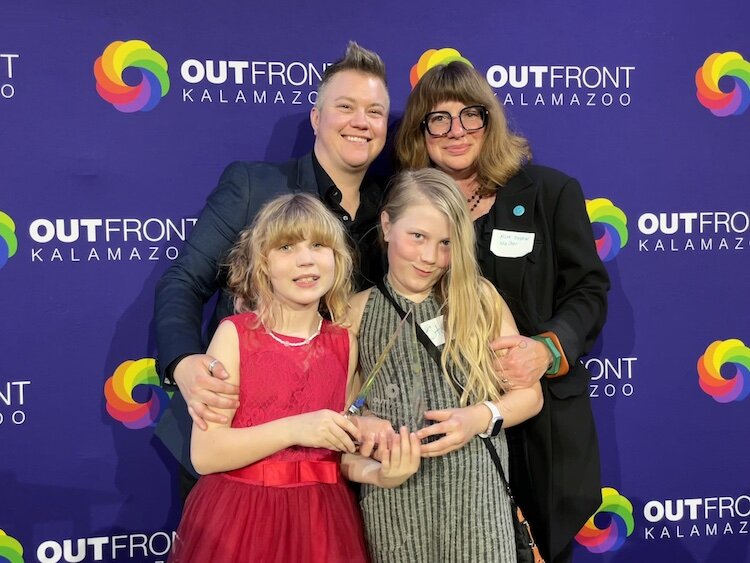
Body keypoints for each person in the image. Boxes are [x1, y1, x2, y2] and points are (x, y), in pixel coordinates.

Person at [153, 41, 390, 499]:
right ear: (317, 119)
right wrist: (184, 365)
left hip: (332, 465)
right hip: (235, 455)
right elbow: (183, 281)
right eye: (345, 106)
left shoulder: (394, 210)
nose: (361, 121)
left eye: (375, 112)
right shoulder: (252, 185)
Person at [395, 62, 610, 563]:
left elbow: (589, 290)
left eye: (470, 115)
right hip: (445, 427)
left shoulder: (549, 193)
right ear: (420, 133)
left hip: (540, 423)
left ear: (490, 121)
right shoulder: (405, 207)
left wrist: (547, 349)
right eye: (438, 119)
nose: (456, 132)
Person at [168, 193, 419, 562]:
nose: (306, 259)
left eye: (319, 245)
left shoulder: (345, 345)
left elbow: (334, 457)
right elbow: (206, 454)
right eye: (286, 247)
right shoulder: (235, 335)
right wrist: (297, 428)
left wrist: (383, 474)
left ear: (338, 259)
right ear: (262, 264)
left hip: (323, 526)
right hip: (240, 522)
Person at [343, 169, 543, 563]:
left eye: (446, 243)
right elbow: (339, 419)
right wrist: (361, 431)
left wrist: (480, 416)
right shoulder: (354, 312)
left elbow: (529, 396)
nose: (430, 257)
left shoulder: (479, 298)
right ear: (386, 225)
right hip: (394, 511)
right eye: (417, 237)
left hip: (479, 505)